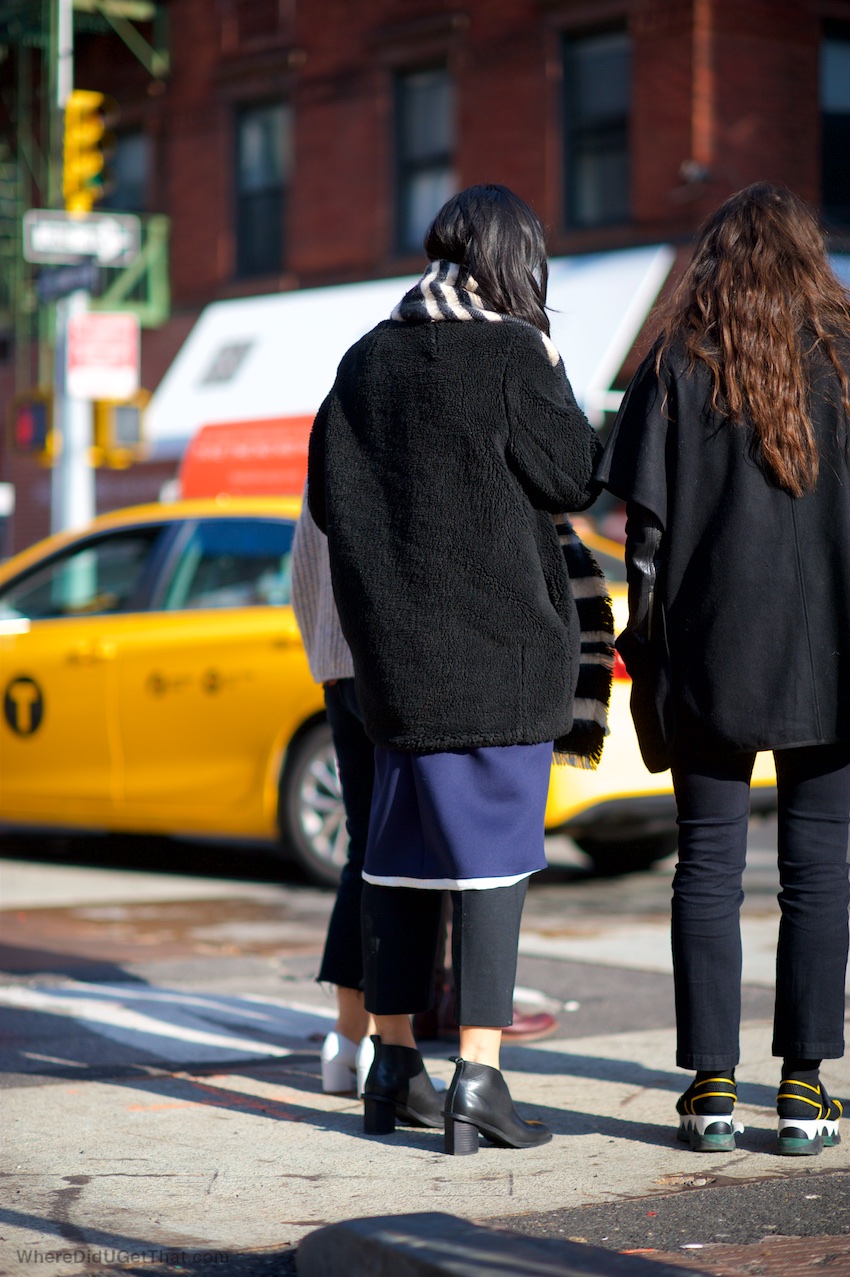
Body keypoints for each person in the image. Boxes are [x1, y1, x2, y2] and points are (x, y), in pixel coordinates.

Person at [308, 183, 607, 1155]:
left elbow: (326, 501)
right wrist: (551, 366)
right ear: (514, 262)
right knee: (492, 876)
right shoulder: (514, 353)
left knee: (391, 868)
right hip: (499, 664)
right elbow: (574, 477)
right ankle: (478, 1074)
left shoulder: (363, 362)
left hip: (394, 672)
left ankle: (394, 1064)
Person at [596, 182, 849, 1156]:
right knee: (817, 870)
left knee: (704, 865)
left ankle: (707, 1086)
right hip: (831, 651)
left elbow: (644, 538)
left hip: (708, 651)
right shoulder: (842, 357)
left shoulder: (674, 365)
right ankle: (802, 1089)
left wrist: (650, 645)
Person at [290, 493, 376, 1095]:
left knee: (365, 849)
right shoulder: (392, 412)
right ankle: (388, 1043)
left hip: (339, 666)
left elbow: (301, 566)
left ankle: (348, 1040)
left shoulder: (332, 421)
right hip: (388, 665)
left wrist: (323, 652)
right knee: (404, 857)